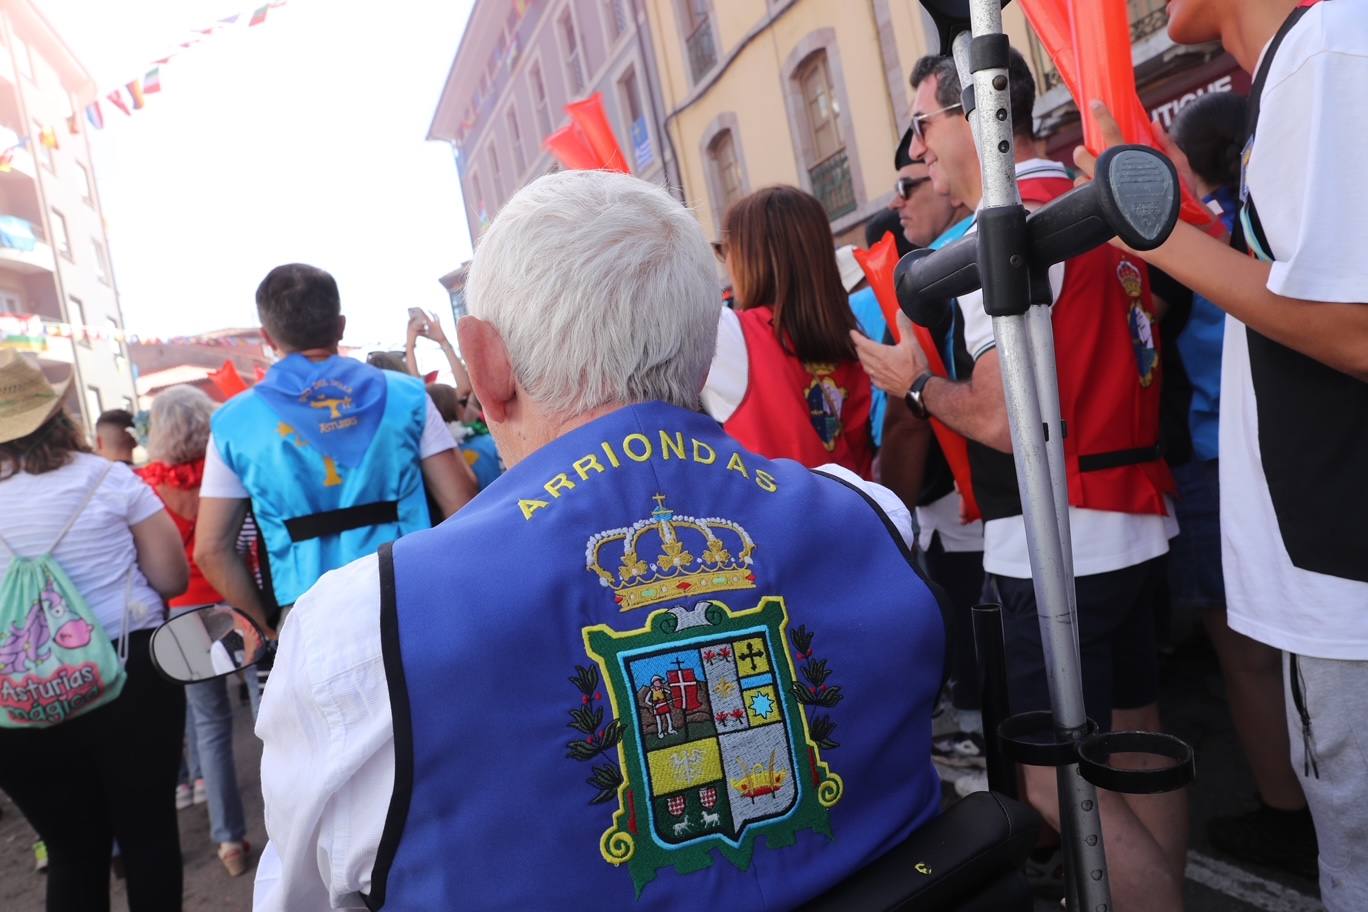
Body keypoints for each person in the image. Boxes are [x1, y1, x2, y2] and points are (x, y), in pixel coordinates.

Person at [251, 170, 946, 910]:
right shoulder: (867, 514)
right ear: (709, 349)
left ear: (485, 362)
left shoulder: (358, 625)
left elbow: (301, 896)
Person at [855, 51, 1187, 910]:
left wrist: (915, 386)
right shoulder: (1089, 202)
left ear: (976, 114)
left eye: (924, 124)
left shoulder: (998, 234)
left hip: (1057, 536)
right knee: (1139, 744)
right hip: (1136, 514)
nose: (920, 150)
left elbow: (1006, 420)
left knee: (1052, 784)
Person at [1077, 2, 1368, 905]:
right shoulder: (1310, 56)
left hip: (1346, 580)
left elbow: (1354, 329)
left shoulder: (1326, 46)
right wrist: (1200, 235)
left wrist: (1158, 237)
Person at [1163, 91, 1316, 876]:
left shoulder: (1197, 234)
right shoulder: (1281, 214)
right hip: (1297, 450)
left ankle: (1286, 810)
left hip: (1219, 461)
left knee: (1248, 655)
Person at [0, 351, 190, 912]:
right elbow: (170, 576)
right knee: (149, 837)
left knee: (70, 851)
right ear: (58, 416)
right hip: (129, 676)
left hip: (15, 696)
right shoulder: (112, 480)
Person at [194, 264, 478, 630]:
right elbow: (462, 502)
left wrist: (267, 629)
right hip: (411, 600)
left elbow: (212, 550)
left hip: (308, 619)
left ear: (268, 336)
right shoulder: (406, 395)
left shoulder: (234, 421)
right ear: (340, 325)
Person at [878, 130, 988, 788]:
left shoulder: (962, 260)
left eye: (909, 183)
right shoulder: (922, 270)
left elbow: (992, 415)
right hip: (963, 507)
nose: (899, 200)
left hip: (996, 510)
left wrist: (914, 389)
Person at [138, 384, 258, 877]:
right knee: (272, 713)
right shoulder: (227, 469)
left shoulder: (145, 486)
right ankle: (294, 824)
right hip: (240, 602)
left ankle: (229, 841)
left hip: (183, 614)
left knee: (209, 727)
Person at [702, 185, 874, 477]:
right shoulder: (851, 341)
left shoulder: (733, 335)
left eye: (724, 250)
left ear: (749, 257)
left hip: (780, 516)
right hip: (851, 511)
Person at [426, 382, 501, 491]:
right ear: (454, 408)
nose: (465, 407)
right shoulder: (489, 443)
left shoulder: (429, 462)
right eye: (462, 402)